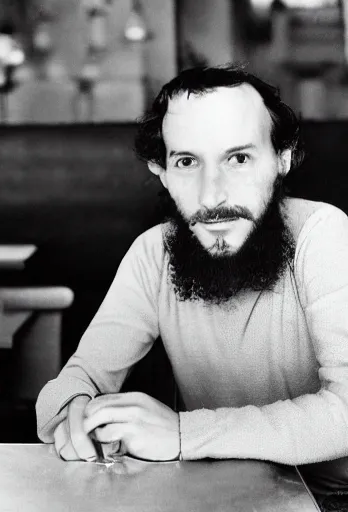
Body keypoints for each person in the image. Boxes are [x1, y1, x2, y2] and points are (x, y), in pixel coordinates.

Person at [35, 65, 348, 509]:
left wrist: (183, 434)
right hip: (216, 493)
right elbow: (73, 382)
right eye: (186, 162)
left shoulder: (323, 235)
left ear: (282, 158)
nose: (212, 195)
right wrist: (75, 412)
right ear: (161, 171)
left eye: (238, 158)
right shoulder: (152, 255)